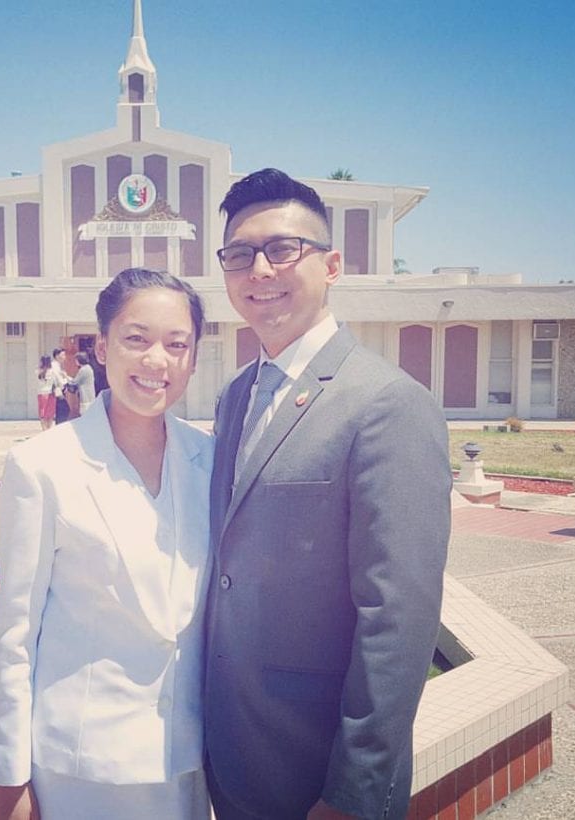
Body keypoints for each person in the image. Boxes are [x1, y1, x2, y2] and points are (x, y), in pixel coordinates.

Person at [204, 168, 451, 820]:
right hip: (234, 755)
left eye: (283, 249)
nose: (259, 269)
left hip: (319, 772)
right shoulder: (234, 399)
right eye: (239, 254)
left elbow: (398, 618)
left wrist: (354, 789)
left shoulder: (386, 404)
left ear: (332, 264)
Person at [0, 268, 213, 820]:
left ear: (192, 358)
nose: (156, 360)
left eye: (176, 344)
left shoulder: (211, 461)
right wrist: (10, 782)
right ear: (102, 346)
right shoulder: (43, 466)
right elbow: (15, 633)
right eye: (136, 338)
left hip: (190, 760)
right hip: (82, 771)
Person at [36, 355, 59, 430]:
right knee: (50, 413)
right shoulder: (52, 372)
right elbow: (57, 382)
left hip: (41, 393)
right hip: (50, 394)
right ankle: (49, 428)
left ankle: (44, 429)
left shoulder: (37, 371)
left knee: (42, 413)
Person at [50, 348, 71, 424]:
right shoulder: (54, 366)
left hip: (59, 390)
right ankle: (60, 426)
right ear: (57, 356)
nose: (64, 357)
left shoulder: (57, 365)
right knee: (64, 409)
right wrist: (66, 381)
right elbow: (58, 380)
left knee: (62, 411)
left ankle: (59, 425)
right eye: (63, 355)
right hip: (58, 391)